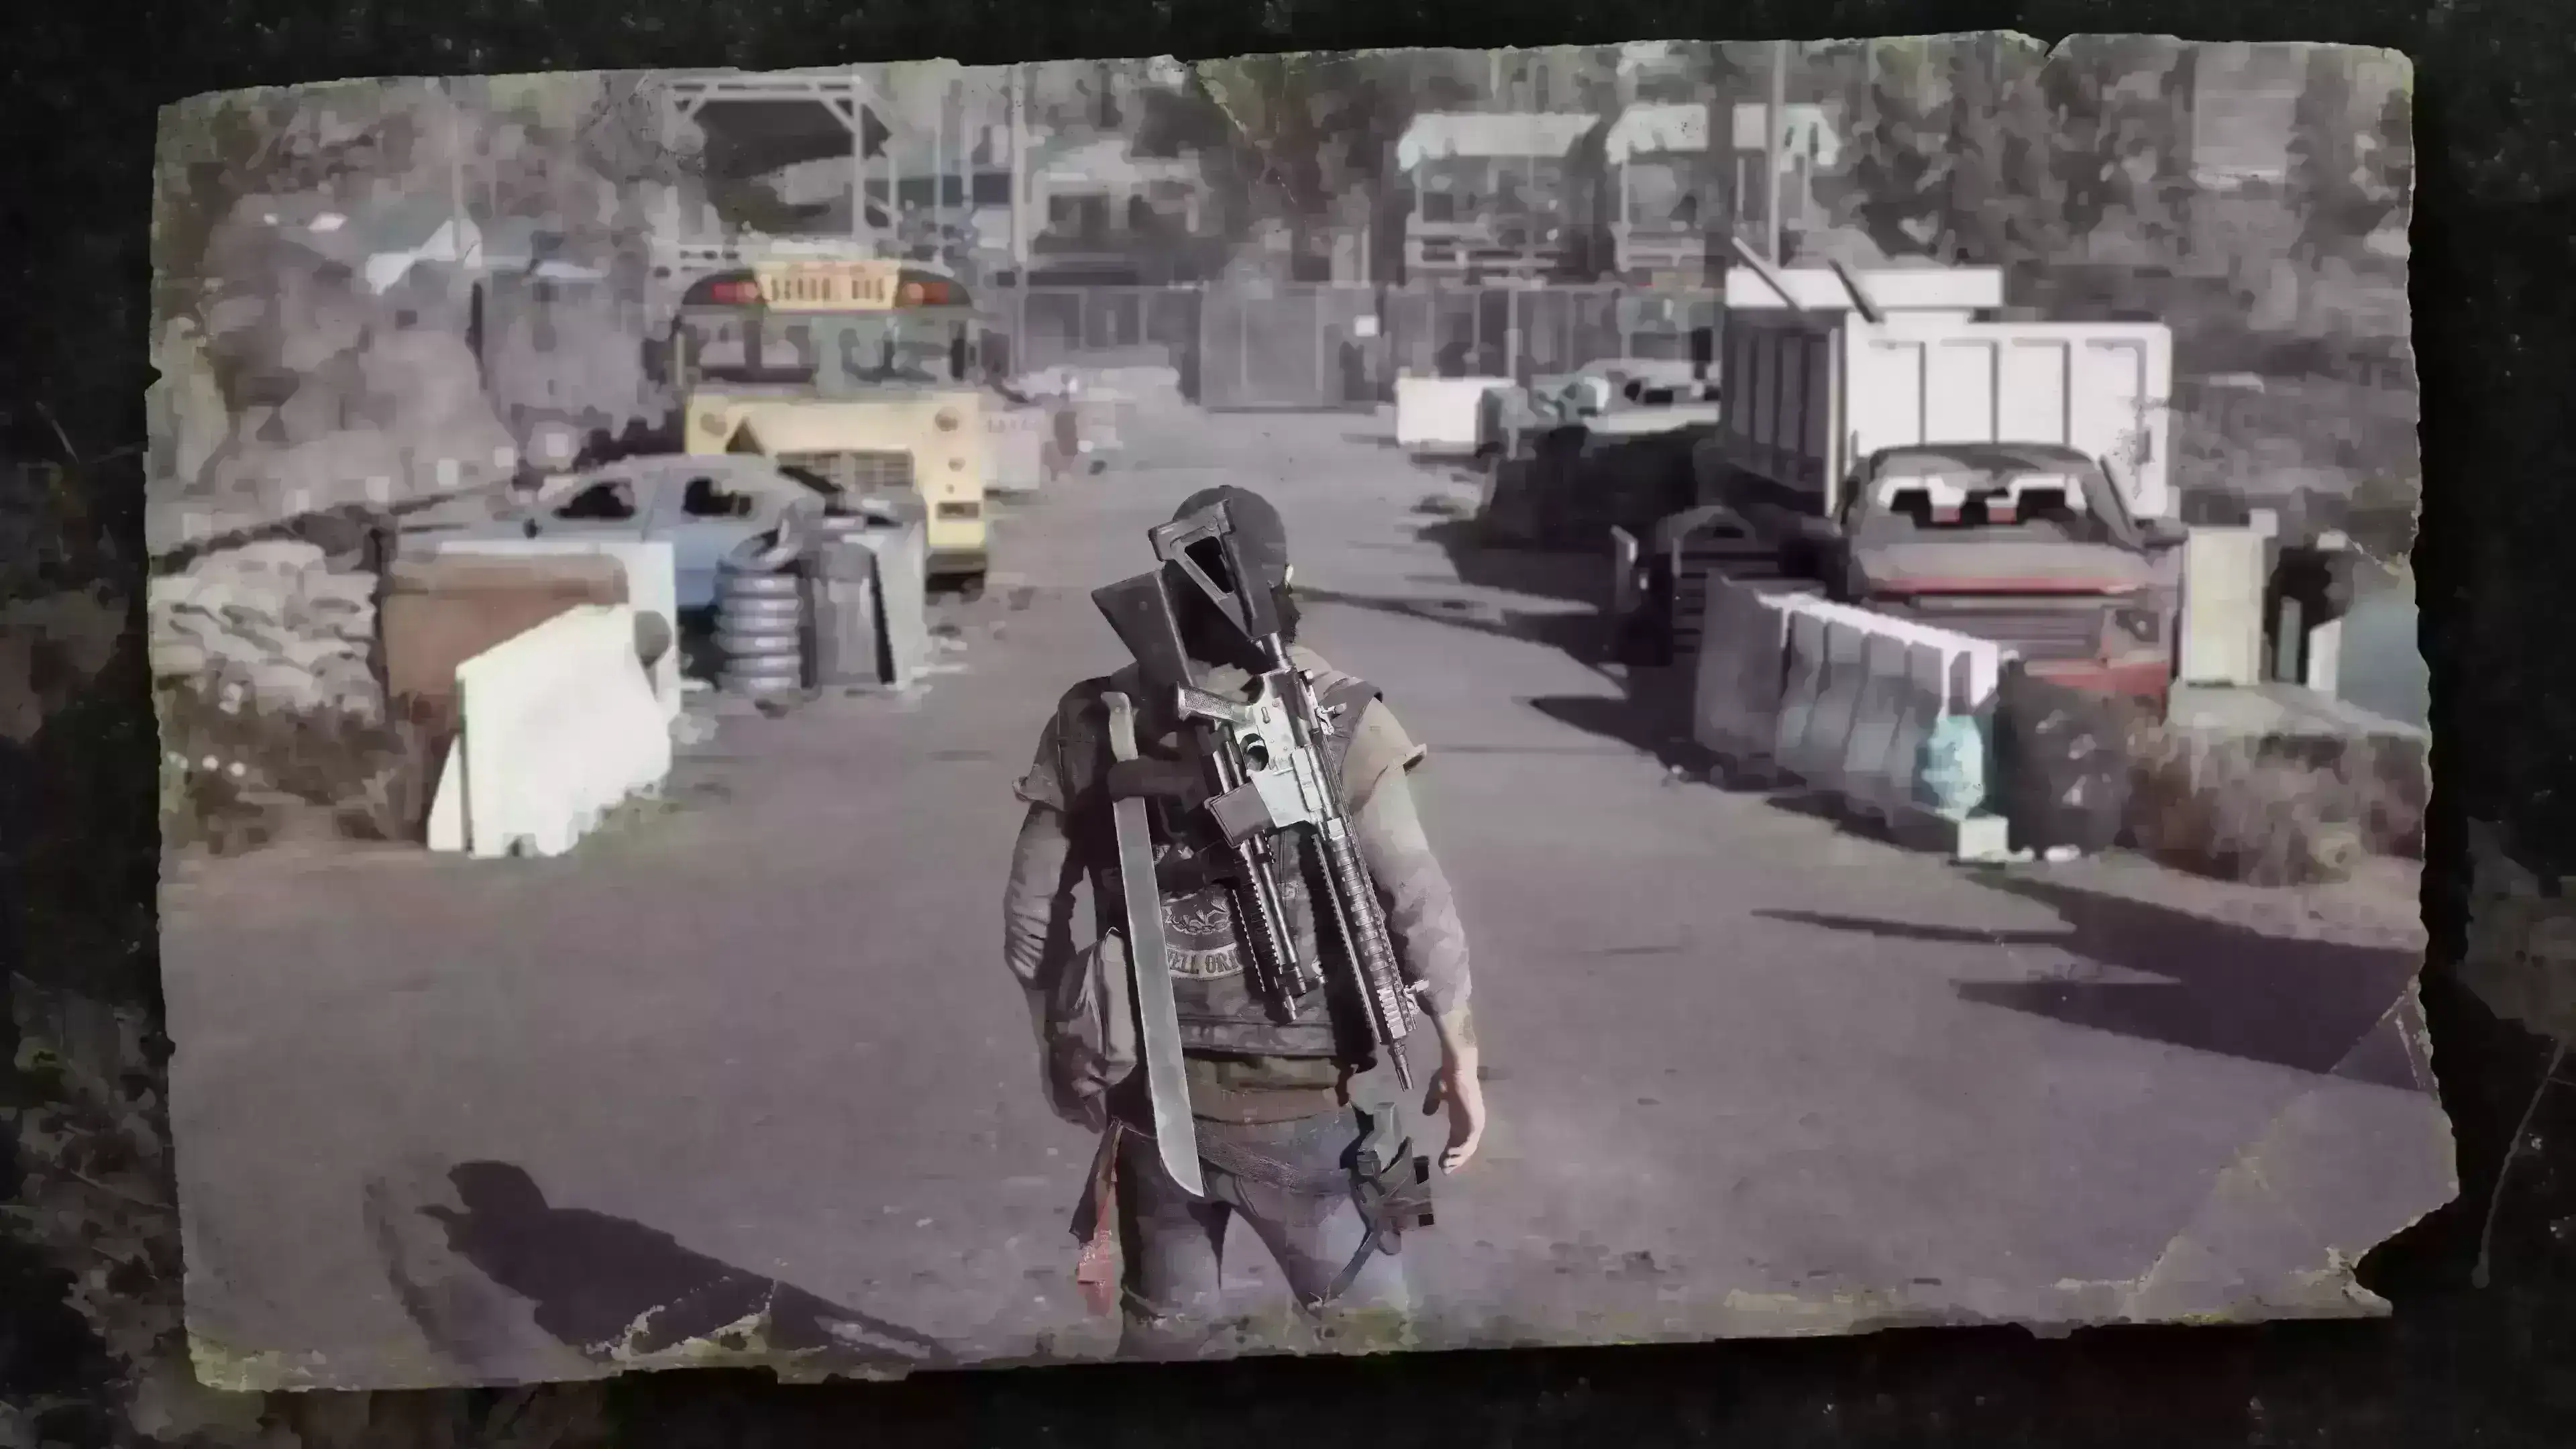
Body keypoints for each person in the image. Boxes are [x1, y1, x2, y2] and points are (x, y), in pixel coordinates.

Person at [1001, 484, 1487, 1358]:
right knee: (1376, 1340)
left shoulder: (1090, 719)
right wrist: (1461, 1057)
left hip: (1154, 1109)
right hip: (1309, 1112)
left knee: (1166, 1344)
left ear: (1169, 588)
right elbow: (1418, 904)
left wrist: (1062, 1048)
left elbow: (1031, 917)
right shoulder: (1348, 717)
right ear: (1284, 582)